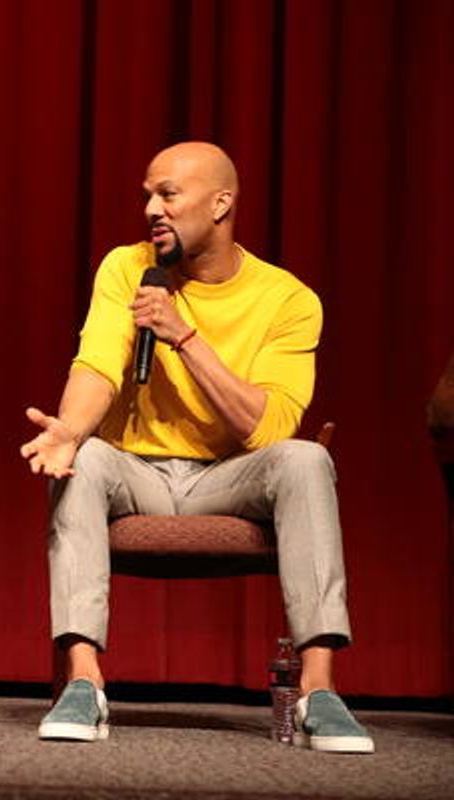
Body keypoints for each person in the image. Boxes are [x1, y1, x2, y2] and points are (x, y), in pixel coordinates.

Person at [20, 142, 373, 754]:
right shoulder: (126, 267)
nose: (152, 209)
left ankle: (320, 690)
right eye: (147, 196)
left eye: (168, 194)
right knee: (83, 461)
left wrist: (183, 335)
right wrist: (70, 432)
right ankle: (83, 682)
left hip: (228, 476)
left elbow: (266, 429)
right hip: (138, 471)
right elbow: (97, 365)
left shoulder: (288, 300)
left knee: (307, 459)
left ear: (221, 203)